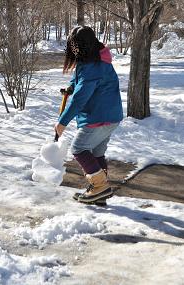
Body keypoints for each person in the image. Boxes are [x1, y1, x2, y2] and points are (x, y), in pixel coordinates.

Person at [54, 26, 123, 203]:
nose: (73, 49)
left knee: (79, 148)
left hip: (99, 117)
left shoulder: (93, 67)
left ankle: (100, 187)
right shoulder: (95, 57)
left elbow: (80, 99)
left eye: (75, 45)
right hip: (109, 116)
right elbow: (80, 78)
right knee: (96, 152)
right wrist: (72, 85)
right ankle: (100, 193)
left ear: (82, 45)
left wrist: (62, 123)